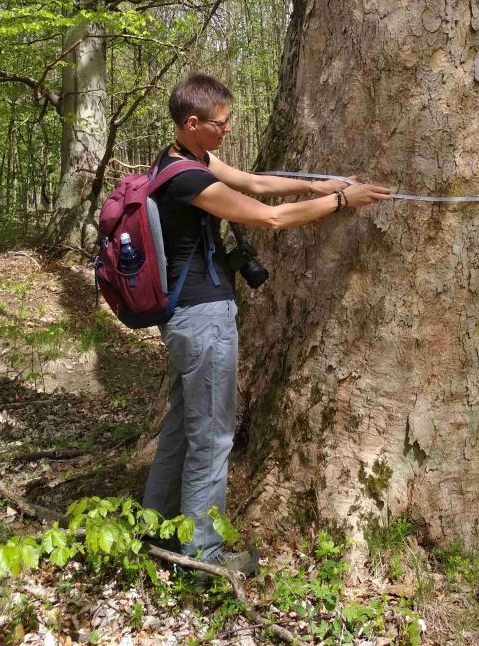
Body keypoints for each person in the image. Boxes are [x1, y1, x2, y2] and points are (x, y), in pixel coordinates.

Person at [142, 73, 391, 575]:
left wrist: (319, 185)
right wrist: (341, 202)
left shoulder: (179, 160)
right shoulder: (189, 180)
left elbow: (255, 182)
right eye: (221, 124)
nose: (228, 130)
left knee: (181, 428)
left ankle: (157, 530)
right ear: (192, 123)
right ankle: (201, 558)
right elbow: (267, 216)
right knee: (211, 438)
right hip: (204, 319)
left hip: (184, 318)